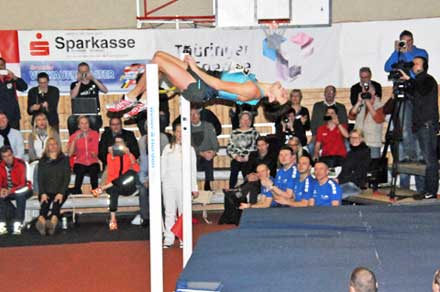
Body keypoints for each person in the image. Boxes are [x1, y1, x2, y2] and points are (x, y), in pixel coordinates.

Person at [106, 51, 291, 121]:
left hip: (202, 88)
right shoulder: (255, 82)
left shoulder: (252, 91)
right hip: (204, 79)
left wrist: (194, 67)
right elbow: (222, 76)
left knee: (159, 64)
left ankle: (130, 98)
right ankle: (144, 99)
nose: (284, 90)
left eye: (283, 95)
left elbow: (218, 84)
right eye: (285, 92)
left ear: (272, 98)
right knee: (157, 57)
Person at [384, 30, 427, 193]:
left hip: (415, 96)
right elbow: (387, 67)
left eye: (408, 41)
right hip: (400, 96)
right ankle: (407, 160)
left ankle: (415, 159)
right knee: (403, 131)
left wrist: (407, 53)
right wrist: (396, 51)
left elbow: (419, 69)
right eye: (403, 41)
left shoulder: (419, 53)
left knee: (413, 131)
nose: (405, 44)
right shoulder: (398, 54)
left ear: (412, 41)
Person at [399, 57, 439, 200]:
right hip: (421, 125)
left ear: (423, 67)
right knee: (428, 160)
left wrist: (409, 79)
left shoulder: (428, 79)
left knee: (430, 160)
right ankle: (428, 190)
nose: (413, 65)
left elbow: (420, 89)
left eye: (416, 63)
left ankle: (431, 191)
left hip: (427, 125)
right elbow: (415, 96)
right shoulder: (418, 82)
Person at [161, 120, 198, 248]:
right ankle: (169, 238)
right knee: (169, 212)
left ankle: (184, 238)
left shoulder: (190, 149)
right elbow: (162, 167)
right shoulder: (167, 148)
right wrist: (160, 182)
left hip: (184, 184)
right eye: (178, 131)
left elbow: (193, 169)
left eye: (182, 131)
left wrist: (194, 187)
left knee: (184, 212)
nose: (180, 134)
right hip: (168, 183)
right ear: (174, 133)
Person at [99, 135, 140, 230]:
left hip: (127, 186)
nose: (118, 145)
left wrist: (129, 155)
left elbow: (137, 170)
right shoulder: (110, 156)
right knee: (113, 189)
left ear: (124, 144)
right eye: (116, 143)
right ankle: (113, 219)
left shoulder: (129, 155)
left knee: (131, 173)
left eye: (120, 143)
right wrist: (113, 157)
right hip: (114, 186)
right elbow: (112, 173)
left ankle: (102, 188)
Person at [132, 122, 169, 226]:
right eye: (148, 127)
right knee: (143, 191)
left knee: (162, 190)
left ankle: (163, 217)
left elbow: (165, 162)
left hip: (162, 174)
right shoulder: (142, 141)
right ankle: (146, 218)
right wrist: (145, 180)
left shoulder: (163, 138)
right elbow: (142, 165)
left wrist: (155, 180)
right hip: (147, 174)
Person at [36, 137, 71, 236]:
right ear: (47, 147)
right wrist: (42, 193)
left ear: (58, 146)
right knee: (44, 205)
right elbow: (40, 179)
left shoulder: (64, 160)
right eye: (50, 144)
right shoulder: (42, 161)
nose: (53, 146)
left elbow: (66, 178)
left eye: (55, 143)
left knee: (56, 204)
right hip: (46, 190)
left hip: (60, 190)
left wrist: (61, 193)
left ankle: (52, 222)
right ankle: (42, 222)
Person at [0, 146, 32, 235]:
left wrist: (10, 191)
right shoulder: (0, 166)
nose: (7, 158)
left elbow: (25, 183)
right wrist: (1, 190)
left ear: (12, 154)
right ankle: (2, 224)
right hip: (8, 191)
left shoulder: (22, 164)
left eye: (9, 155)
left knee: (20, 194)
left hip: (24, 189)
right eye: (4, 156)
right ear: (2, 157)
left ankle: (18, 223)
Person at [70, 62, 108, 131]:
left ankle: (94, 140)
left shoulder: (95, 82)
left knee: (93, 120)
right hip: (79, 114)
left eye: (85, 72)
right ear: (78, 72)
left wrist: (93, 79)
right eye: (81, 72)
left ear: (89, 71)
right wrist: (79, 82)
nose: (84, 74)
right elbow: (73, 96)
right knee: (71, 120)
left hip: (94, 113)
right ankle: (73, 140)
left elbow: (105, 90)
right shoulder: (74, 84)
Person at [348, 85, 385, 159]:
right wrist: (358, 102)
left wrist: (368, 103)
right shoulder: (361, 105)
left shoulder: (381, 105)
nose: (366, 92)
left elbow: (379, 119)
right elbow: (351, 116)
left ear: (374, 92)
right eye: (364, 91)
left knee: (372, 167)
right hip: (359, 142)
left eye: (368, 91)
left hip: (373, 143)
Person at [67, 116, 100, 194]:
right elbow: (70, 153)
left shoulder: (94, 134)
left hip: (92, 161)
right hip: (79, 162)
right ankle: (77, 189)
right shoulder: (73, 136)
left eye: (86, 123)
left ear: (89, 124)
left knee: (93, 170)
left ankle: (95, 191)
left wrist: (93, 155)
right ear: (78, 126)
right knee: (80, 170)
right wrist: (75, 140)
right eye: (82, 123)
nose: (84, 125)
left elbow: (95, 152)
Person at [226, 111, 259, 188]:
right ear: (240, 120)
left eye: (247, 119)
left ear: (250, 121)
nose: (245, 121)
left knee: (248, 168)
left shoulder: (255, 133)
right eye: (243, 119)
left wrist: (249, 156)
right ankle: (231, 189)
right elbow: (229, 147)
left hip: (249, 158)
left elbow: (257, 147)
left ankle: (247, 189)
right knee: (234, 167)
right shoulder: (234, 133)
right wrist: (236, 156)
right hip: (237, 157)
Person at [190, 106, 219, 191]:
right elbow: (190, 146)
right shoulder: (187, 129)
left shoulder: (208, 126)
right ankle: (191, 185)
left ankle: (207, 183)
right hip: (195, 156)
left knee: (208, 157)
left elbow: (215, 143)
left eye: (195, 114)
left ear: (199, 115)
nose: (193, 116)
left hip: (207, 156)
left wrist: (213, 152)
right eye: (191, 115)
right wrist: (200, 153)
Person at [337, 130, 371, 198]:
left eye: (356, 137)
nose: (353, 140)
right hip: (345, 183)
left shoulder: (365, 153)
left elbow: (359, 174)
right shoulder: (350, 153)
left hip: (355, 185)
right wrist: (337, 179)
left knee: (335, 196)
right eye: (351, 137)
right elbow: (343, 171)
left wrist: (340, 181)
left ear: (361, 139)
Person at [0, 57, 28, 130]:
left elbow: (24, 87)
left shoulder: (11, 78)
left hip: (13, 115)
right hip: (0, 116)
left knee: (15, 138)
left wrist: (14, 77)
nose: (0, 67)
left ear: (5, 66)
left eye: (2, 65)